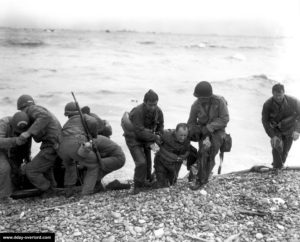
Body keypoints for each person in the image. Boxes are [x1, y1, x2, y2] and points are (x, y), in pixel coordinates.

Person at [58, 102, 125, 196]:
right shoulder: (84, 118)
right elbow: (93, 122)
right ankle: (86, 193)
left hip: (62, 147)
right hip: (77, 143)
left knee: (70, 166)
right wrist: (93, 135)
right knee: (94, 166)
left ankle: (68, 192)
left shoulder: (67, 124)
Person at [187, 81, 229, 190]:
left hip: (218, 132)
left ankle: (201, 178)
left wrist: (209, 127)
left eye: (203, 98)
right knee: (203, 152)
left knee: (208, 153)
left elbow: (224, 119)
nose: (201, 100)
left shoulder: (219, 102)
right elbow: (190, 123)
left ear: (209, 96)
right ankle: (201, 175)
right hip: (203, 132)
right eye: (199, 98)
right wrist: (194, 131)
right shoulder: (195, 105)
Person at [17, 94, 62, 195]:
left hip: (51, 144)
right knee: (46, 168)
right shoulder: (37, 110)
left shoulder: (31, 109)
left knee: (31, 170)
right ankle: (53, 188)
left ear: (22, 107)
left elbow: (44, 117)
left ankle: (48, 190)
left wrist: (28, 132)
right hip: (54, 143)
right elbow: (38, 138)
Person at [122, 89, 164, 194]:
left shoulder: (158, 111)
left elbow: (161, 126)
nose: (153, 107)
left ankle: (147, 180)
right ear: (145, 102)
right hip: (133, 138)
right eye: (150, 105)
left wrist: (159, 135)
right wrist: (155, 137)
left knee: (149, 162)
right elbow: (139, 132)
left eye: (155, 104)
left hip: (147, 138)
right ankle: (137, 186)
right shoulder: (138, 112)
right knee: (141, 162)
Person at [262, 83, 300, 170]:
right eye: (276, 96)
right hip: (275, 130)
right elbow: (265, 121)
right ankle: (277, 167)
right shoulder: (267, 104)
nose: (278, 97)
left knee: (285, 152)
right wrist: (272, 135)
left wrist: (297, 130)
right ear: (272, 94)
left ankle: (278, 166)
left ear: (284, 93)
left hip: (289, 129)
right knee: (276, 147)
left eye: (280, 95)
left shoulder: (294, 101)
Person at [0, 112, 31, 203]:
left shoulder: (27, 127)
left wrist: (27, 157)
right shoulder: (3, 124)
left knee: (16, 169)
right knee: (4, 168)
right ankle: (3, 197)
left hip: (9, 148)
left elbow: (27, 142)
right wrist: (15, 141)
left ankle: (11, 188)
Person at [154, 123, 190, 188]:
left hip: (175, 164)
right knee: (161, 185)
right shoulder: (166, 134)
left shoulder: (187, 140)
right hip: (161, 161)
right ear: (176, 132)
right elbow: (155, 137)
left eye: (185, 135)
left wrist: (183, 157)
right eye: (181, 135)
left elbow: (188, 150)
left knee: (172, 183)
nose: (183, 138)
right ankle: (155, 176)